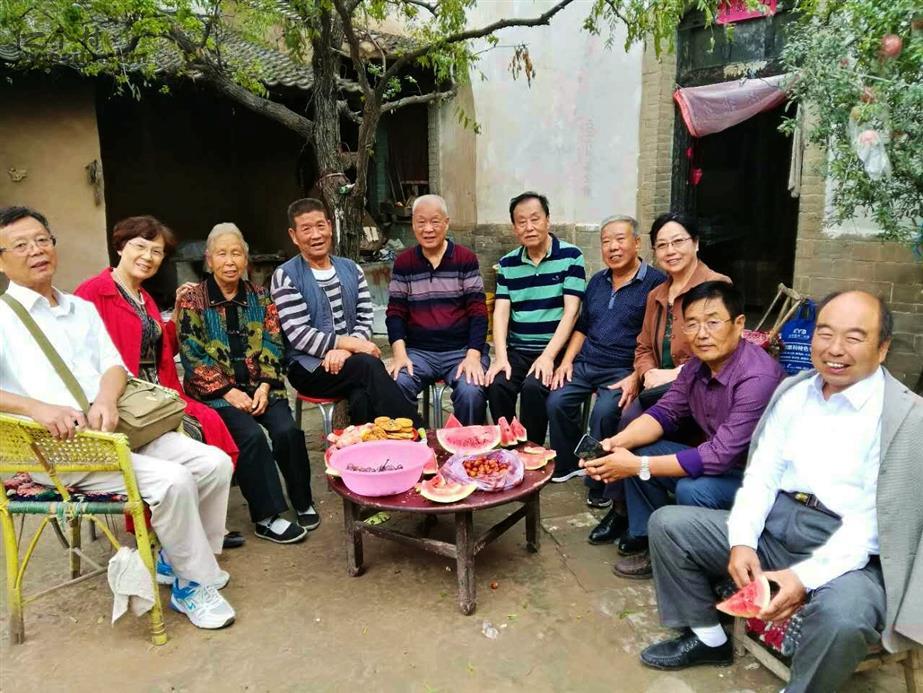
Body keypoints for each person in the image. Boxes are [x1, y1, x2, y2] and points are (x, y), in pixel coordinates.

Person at [640, 291, 922, 692]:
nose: (835, 348)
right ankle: (708, 637)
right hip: (779, 525)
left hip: (852, 555)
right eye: (825, 333)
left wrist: (802, 577)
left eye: (854, 337)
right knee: (669, 525)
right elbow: (762, 474)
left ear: (882, 348)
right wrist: (742, 540)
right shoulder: (796, 392)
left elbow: (872, 526)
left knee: (844, 617)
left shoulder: (907, 420)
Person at [0, 206, 236, 629]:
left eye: (42, 240)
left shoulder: (78, 308)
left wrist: (106, 400)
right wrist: (36, 408)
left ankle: (175, 561)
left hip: (115, 430)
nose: (36, 251)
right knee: (173, 481)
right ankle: (193, 584)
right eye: (21, 245)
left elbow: (114, 366)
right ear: (2, 261)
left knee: (214, 463)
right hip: (58, 452)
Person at [583, 282, 784, 578]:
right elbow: (664, 413)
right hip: (722, 464)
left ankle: (707, 568)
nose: (701, 334)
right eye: (692, 324)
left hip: (759, 480)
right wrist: (615, 443)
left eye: (713, 322)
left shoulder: (757, 377)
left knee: (692, 489)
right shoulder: (696, 366)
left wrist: (638, 465)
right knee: (637, 449)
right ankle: (655, 545)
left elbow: (719, 456)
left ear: (739, 324)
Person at [74, 215, 246, 551]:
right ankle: (169, 530)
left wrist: (178, 311)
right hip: (123, 402)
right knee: (189, 438)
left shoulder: (144, 297)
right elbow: (77, 355)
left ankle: (197, 526)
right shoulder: (94, 292)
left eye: (156, 251)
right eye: (140, 247)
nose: (148, 257)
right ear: (120, 247)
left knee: (211, 425)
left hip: (160, 394)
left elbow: (162, 346)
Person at [177, 223, 316, 544]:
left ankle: (302, 500)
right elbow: (192, 354)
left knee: (288, 431)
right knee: (251, 436)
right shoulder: (192, 301)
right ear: (209, 260)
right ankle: (268, 517)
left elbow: (274, 342)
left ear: (246, 259)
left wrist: (265, 385)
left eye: (236, 253)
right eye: (222, 254)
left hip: (262, 387)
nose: (230, 261)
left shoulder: (261, 296)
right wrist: (228, 391)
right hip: (216, 395)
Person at [273, 198, 421, 427]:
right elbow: (299, 334)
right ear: (294, 236)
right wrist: (352, 345)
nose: (316, 235)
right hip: (308, 368)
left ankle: (367, 447)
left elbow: (365, 317)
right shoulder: (286, 275)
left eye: (320, 226)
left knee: (362, 396)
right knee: (368, 366)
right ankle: (417, 431)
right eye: (306, 229)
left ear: (330, 226)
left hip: (350, 362)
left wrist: (346, 350)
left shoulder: (352, 269)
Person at [546, 215, 665, 494]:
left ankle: (598, 480)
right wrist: (566, 362)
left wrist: (636, 375)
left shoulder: (656, 284)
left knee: (604, 412)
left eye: (620, 239)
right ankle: (571, 463)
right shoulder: (597, 281)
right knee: (557, 401)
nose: (613, 247)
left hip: (622, 369)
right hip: (587, 362)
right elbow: (582, 328)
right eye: (606, 241)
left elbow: (655, 340)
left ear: (637, 243)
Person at [487, 191, 585, 468]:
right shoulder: (507, 264)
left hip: (557, 349)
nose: (529, 227)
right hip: (519, 349)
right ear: (514, 228)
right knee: (498, 384)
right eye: (521, 222)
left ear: (547, 221)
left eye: (535, 219)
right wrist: (501, 356)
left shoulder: (571, 257)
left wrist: (548, 356)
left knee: (533, 387)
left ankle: (532, 453)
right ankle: (510, 450)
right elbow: (501, 312)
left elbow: (572, 312)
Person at [386, 195, 490, 425]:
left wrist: (473, 355)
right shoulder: (404, 263)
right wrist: (399, 353)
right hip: (419, 352)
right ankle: (414, 442)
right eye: (421, 222)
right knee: (396, 384)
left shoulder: (465, 258)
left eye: (435, 221)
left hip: (461, 350)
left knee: (471, 391)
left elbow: (478, 311)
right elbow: (395, 313)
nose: (428, 229)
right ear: (413, 225)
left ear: (446, 223)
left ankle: (467, 447)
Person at [632, 212, 730, 406]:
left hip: (702, 388)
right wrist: (648, 372)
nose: (670, 251)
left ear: (696, 243)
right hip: (657, 389)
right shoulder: (655, 295)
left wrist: (675, 374)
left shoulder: (717, 286)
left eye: (677, 242)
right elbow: (644, 347)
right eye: (662, 245)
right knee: (623, 416)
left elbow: (722, 347)